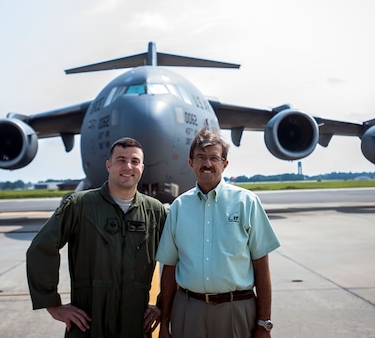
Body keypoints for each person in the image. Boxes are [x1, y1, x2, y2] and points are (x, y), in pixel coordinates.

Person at [26, 137, 168, 338]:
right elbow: (41, 248)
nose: (128, 166)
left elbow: (177, 258)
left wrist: (163, 305)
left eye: (134, 161)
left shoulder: (155, 211)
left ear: (142, 168)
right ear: (109, 165)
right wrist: (52, 304)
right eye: (121, 160)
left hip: (135, 324)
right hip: (88, 325)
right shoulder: (80, 205)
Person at [156, 126, 280, 338]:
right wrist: (165, 321)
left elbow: (262, 268)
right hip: (189, 310)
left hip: (235, 308)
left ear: (225, 163)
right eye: (201, 157)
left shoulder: (246, 202)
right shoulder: (179, 207)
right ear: (190, 163)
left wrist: (264, 323)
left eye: (214, 158)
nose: (207, 164)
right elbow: (169, 268)